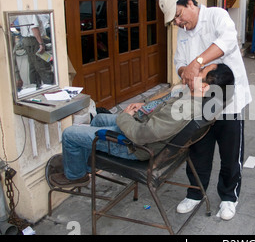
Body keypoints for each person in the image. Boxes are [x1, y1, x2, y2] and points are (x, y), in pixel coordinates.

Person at [49, 64, 235, 188]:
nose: (196, 70)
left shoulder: (186, 109)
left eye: (200, 71)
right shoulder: (199, 101)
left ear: (204, 88)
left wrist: (124, 117)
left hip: (135, 147)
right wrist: (145, 108)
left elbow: (141, 135)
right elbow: (163, 110)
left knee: (70, 134)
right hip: (145, 130)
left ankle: (75, 176)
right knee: (98, 120)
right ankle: (84, 163)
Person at [158, 0, 252, 220]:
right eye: (174, 21)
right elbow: (179, 62)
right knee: (199, 149)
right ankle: (195, 193)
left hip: (228, 101)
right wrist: (186, 71)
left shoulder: (217, 16)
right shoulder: (184, 31)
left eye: (179, 15)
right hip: (200, 103)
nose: (179, 22)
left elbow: (228, 41)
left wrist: (197, 63)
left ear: (190, 3)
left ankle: (229, 197)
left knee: (231, 154)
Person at [17, 14, 54, 87]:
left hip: (28, 40)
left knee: (33, 68)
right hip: (34, 40)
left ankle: (35, 88)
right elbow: (34, 27)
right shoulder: (30, 10)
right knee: (43, 67)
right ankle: (51, 89)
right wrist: (41, 43)